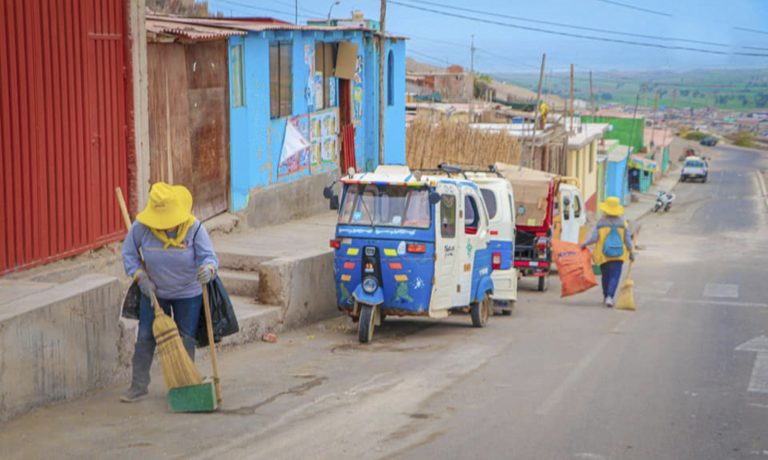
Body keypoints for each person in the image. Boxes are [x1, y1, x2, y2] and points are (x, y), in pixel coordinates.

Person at [120, 183, 219, 402]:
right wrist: (140, 278)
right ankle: (138, 385)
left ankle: (184, 384)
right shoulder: (141, 228)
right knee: (146, 336)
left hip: (189, 293)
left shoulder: (194, 228)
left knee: (185, 338)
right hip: (154, 292)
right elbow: (129, 255)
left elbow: (209, 257)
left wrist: (208, 269)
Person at [581, 196, 634, 308]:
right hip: (618, 255)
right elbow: (627, 239)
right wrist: (631, 251)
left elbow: (594, 238)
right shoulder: (622, 223)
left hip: (603, 255)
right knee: (615, 276)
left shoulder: (601, 222)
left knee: (605, 276)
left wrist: (584, 244)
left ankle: (606, 296)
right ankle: (610, 296)